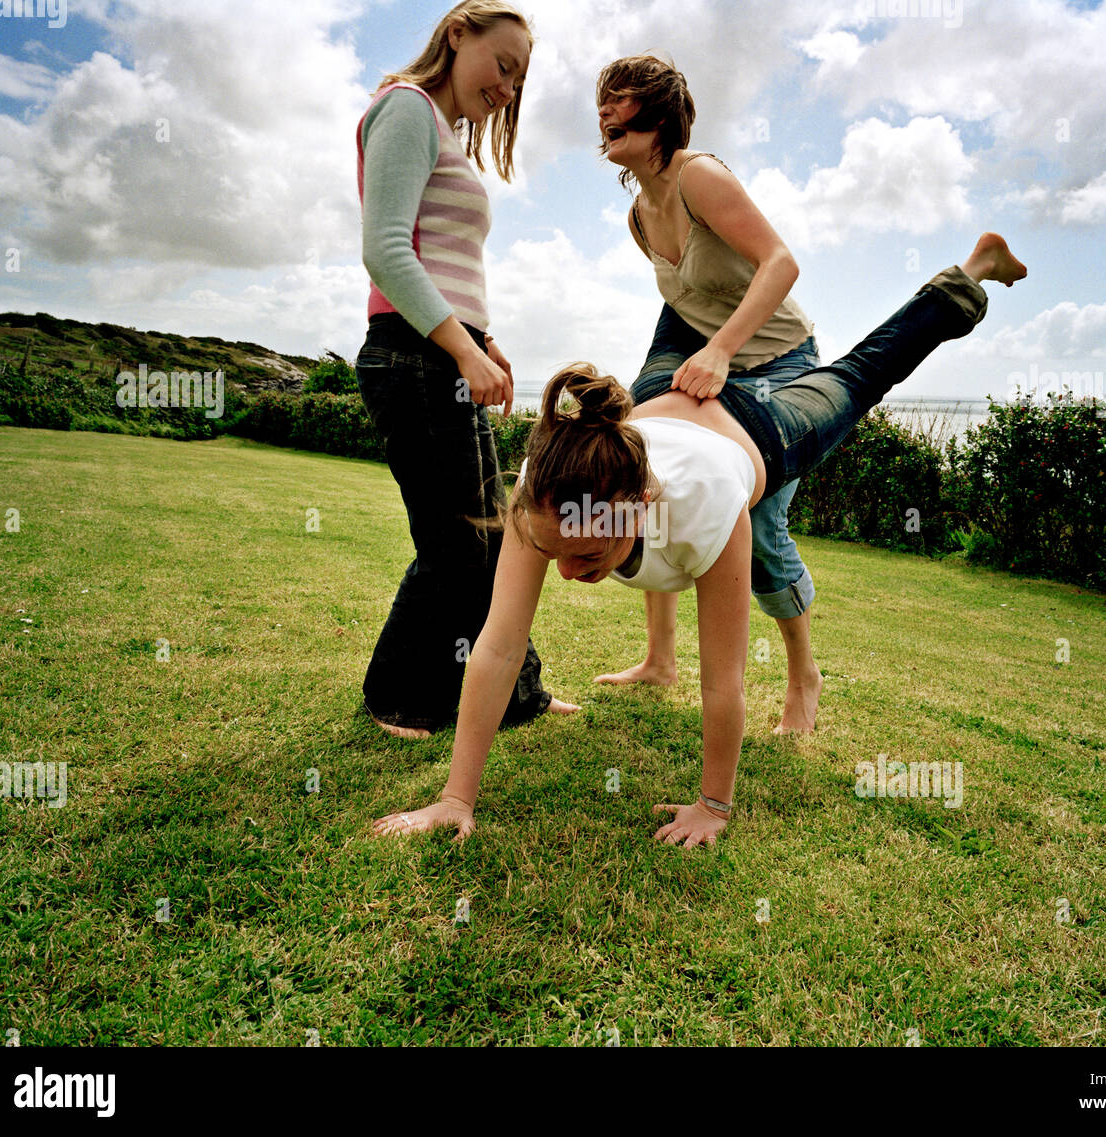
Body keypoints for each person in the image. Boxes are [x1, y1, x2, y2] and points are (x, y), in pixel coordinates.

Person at [373, 233, 1027, 848]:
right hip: (664, 394)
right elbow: (497, 647)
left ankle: (970, 273)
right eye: (558, 551)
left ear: (641, 507)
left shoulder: (706, 512)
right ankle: (679, 228)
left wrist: (713, 805)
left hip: (757, 429)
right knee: (683, 292)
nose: (566, 572)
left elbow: (723, 681)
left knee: (864, 371)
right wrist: (456, 798)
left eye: (588, 556)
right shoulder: (543, 500)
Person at [354, 1, 576, 739]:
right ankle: (395, 694)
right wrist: (461, 346)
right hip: (413, 360)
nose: (508, 88)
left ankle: (520, 694)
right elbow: (386, 250)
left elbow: (440, 258)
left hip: (442, 352)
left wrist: (485, 340)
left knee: (492, 535)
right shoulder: (406, 108)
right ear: (458, 34)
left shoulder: (441, 131)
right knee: (454, 544)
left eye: (520, 80)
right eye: (502, 65)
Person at [589, 55, 828, 735]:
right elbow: (688, 300)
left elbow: (781, 263)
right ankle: (660, 659)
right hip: (714, 362)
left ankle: (803, 676)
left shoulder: (701, 177)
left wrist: (722, 351)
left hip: (784, 365)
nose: (605, 114)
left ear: (659, 117)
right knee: (645, 475)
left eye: (620, 101)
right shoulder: (640, 213)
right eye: (601, 102)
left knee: (759, 531)